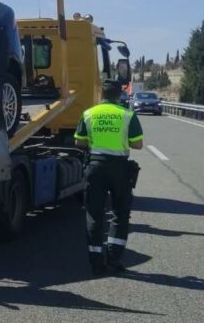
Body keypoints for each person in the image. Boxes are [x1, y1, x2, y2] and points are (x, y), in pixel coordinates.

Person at [74, 80, 144, 275]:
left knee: (94, 214)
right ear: (119, 95)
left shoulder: (89, 114)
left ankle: (96, 262)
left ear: (101, 94)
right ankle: (114, 259)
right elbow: (137, 144)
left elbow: (79, 142)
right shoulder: (128, 115)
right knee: (120, 214)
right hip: (120, 168)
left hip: (95, 166)